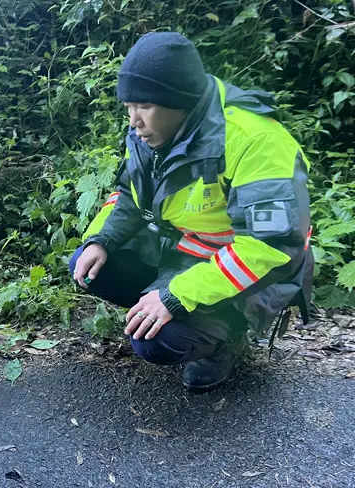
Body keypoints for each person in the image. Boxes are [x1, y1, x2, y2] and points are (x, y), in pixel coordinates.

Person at [71, 32, 313, 391]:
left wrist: (174, 297)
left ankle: (224, 339)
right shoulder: (150, 132)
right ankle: (178, 313)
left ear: (179, 101)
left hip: (253, 273)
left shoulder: (256, 140)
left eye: (144, 106)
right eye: (128, 106)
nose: (133, 120)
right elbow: (128, 193)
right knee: (88, 264)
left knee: (155, 341)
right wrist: (101, 240)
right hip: (185, 250)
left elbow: (270, 247)